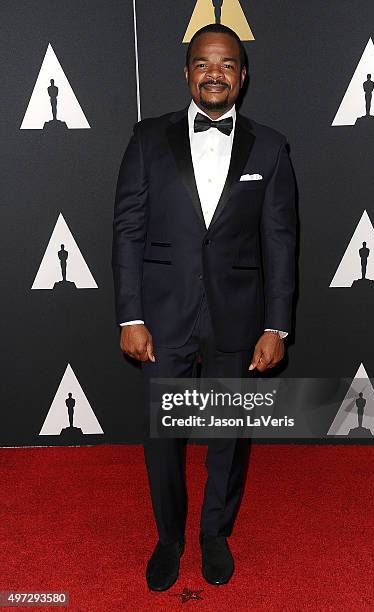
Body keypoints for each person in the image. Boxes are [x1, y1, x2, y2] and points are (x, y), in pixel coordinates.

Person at [112, 23, 297, 591]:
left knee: (227, 436)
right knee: (164, 439)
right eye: (202, 63)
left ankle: (214, 534)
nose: (214, 73)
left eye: (226, 64)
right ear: (187, 72)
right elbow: (129, 230)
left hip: (237, 318)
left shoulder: (270, 146)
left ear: (243, 75)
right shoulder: (148, 139)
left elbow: (281, 240)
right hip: (163, 318)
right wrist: (130, 315)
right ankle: (168, 538)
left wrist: (276, 325)